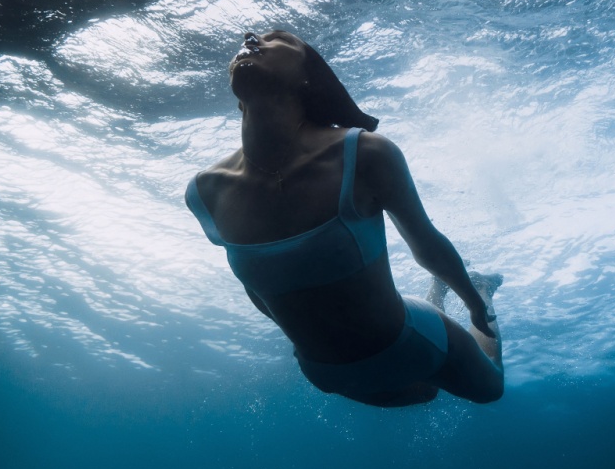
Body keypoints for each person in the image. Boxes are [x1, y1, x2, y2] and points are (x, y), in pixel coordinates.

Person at [184, 30, 503, 407]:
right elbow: (258, 287)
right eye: (251, 36)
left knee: (490, 391)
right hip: (326, 373)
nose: (252, 38)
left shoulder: (365, 154)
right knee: (424, 394)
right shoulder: (205, 192)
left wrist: (473, 302)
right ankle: (437, 292)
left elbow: (426, 242)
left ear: (309, 76)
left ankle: (481, 288)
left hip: (409, 342)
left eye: (278, 38)